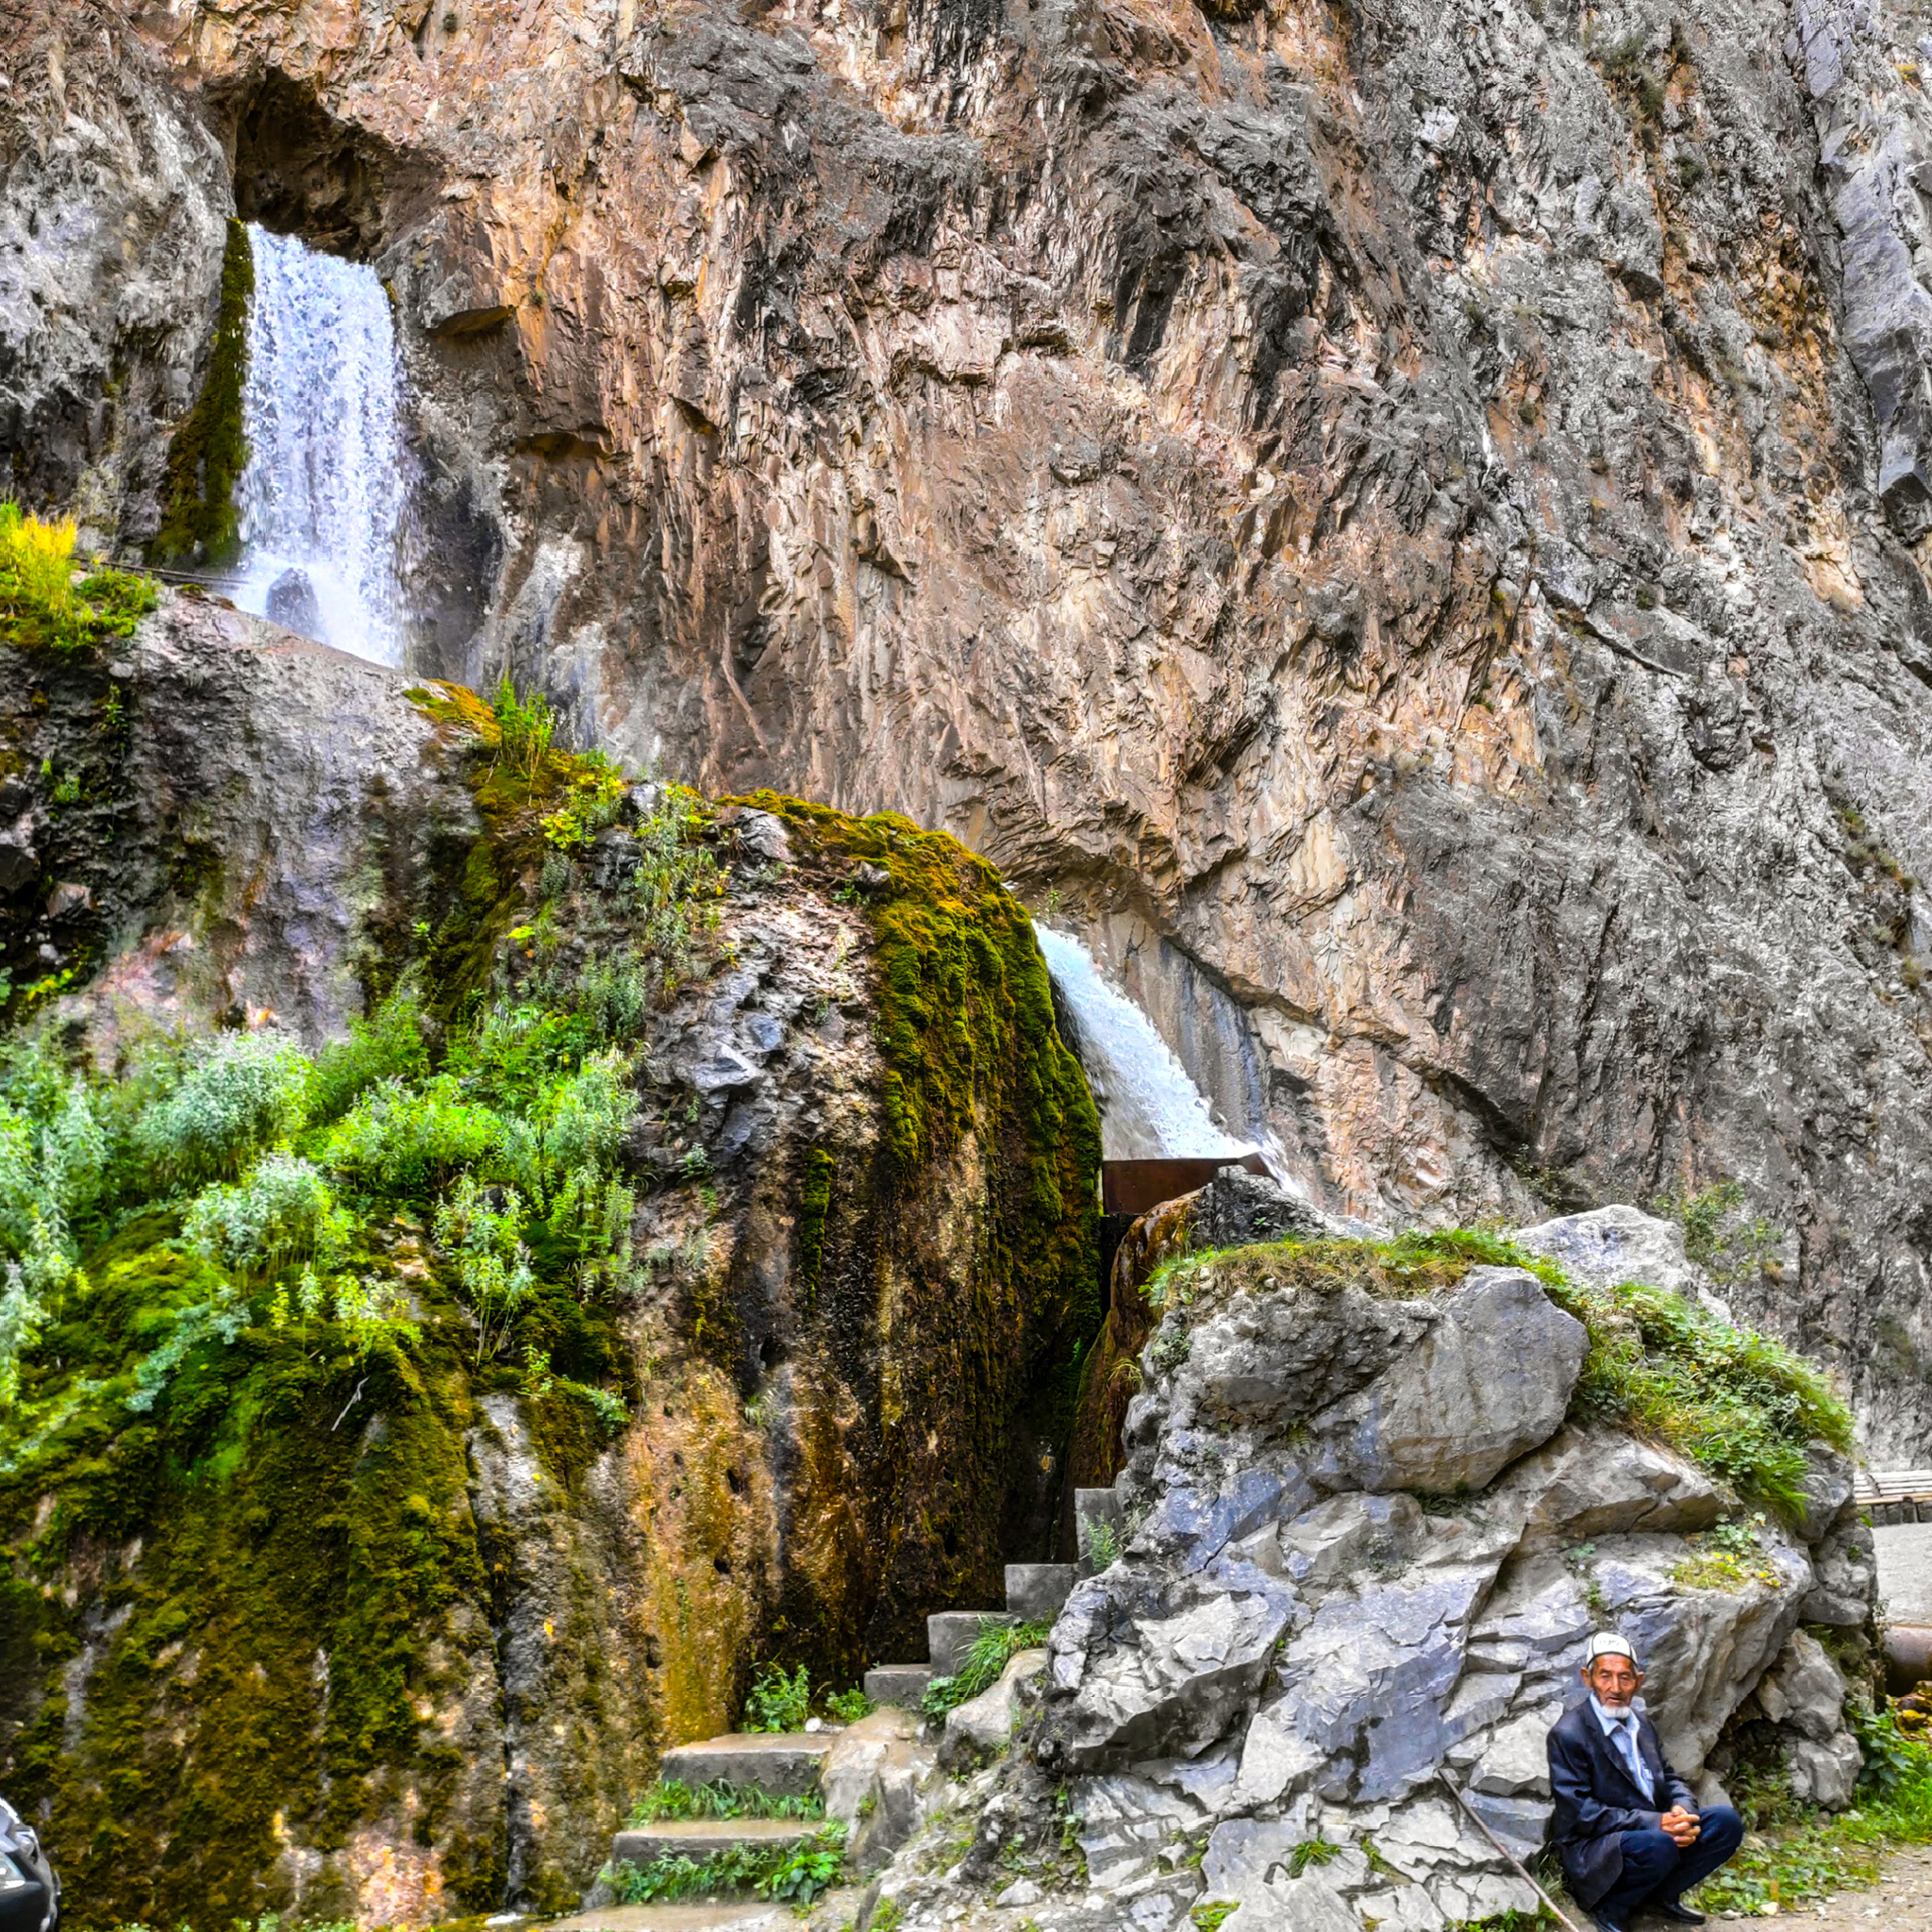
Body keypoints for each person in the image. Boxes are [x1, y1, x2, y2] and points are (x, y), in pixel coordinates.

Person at [1546, 1632, 1744, 1932]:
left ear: (1638, 1681)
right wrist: (1655, 1823)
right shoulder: (1569, 1733)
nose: (1616, 1688)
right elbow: (1579, 1813)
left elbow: (1669, 1778)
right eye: (1605, 1677)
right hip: (1595, 1846)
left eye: (1625, 1678)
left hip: (1648, 1833)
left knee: (1725, 1822)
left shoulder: (1641, 1725)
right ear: (1587, 1678)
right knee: (1659, 1843)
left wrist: (1681, 1809)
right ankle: (1610, 1908)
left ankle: (1659, 1898)